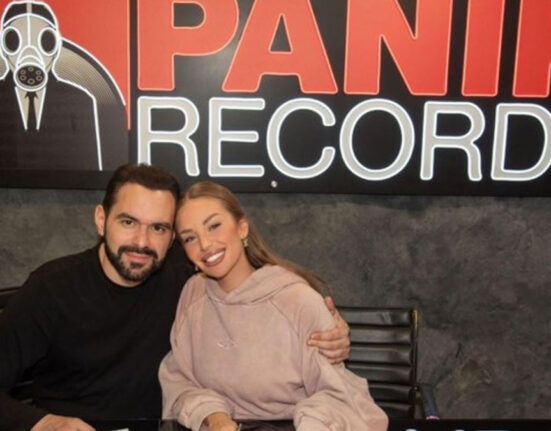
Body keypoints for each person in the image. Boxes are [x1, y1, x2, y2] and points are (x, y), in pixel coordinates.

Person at [0, 164, 351, 431]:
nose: (142, 242)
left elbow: (255, 289)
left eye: (158, 228)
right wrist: (43, 422)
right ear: (101, 219)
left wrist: (328, 329)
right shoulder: (51, 288)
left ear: (172, 239)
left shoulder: (189, 279)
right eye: (128, 222)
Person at [159, 181, 388, 431]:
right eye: (190, 238)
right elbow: (179, 380)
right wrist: (214, 416)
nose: (204, 244)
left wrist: (312, 424)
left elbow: (339, 398)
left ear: (242, 228)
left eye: (214, 226)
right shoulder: (193, 294)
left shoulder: (298, 301)